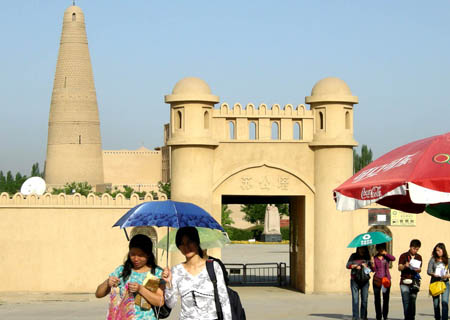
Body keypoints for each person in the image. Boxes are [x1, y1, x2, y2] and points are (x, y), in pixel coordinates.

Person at [162, 226, 232, 320]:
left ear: (197, 242)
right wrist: (168, 283)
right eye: (182, 244)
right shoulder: (176, 270)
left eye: (189, 242)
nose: (186, 247)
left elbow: (224, 300)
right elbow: (170, 304)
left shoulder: (213, 266)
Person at [95, 234, 165, 320]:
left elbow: (160, 301)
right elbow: (98, 294)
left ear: (148, 254)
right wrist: (107, 283)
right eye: (132, 254)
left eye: (140, 255)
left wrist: (140, 289)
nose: (136, 259)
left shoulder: (157, 272)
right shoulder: (122, 271)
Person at [398, 239, 422, 320]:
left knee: (413, 301)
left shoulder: (419, 257)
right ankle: (407, 317)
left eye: (417, 249)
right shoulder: (403, 256)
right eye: (414, 248)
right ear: (410, 247)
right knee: (406, 301)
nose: (415, 250)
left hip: (414, 281)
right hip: (404, 281)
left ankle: (412, 317)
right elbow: (399, 267)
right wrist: (405, 265)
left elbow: (420, 269)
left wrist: (417, 269)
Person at [371, 243, 395, 320]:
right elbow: (373, 270)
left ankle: (385, 315)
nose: (381, 250)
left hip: (386, 279)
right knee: (377, 298)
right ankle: (378, 316)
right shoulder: (374, 258)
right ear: (377, 249)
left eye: (382, 248)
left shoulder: (386, 257)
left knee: (386, 298)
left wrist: (386, 253)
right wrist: (372, 263)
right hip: (377, 279)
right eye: (379, 248)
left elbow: (393, 258)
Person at [346, 246, 372, 320]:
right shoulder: (353, 256)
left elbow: (371, 269)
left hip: (365, 281)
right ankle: (355, 317)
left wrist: (367, 265)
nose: (362, 250)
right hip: (355, 280)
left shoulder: (367, 257)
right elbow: (347, 265)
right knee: (355, 299)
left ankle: (363, 316)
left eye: (363, 248)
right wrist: (354, 266)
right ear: (358, 249)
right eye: (360, 248)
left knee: (364, 300)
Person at [427, 243, 450, 320]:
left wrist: (447, 276)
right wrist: (434, 274)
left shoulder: (448, 260)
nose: (438, 252)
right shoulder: (433, 259)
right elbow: (428, 271)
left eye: (439, 250)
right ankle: (437, 318)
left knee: (445, 303)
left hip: (445, 283)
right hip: (435, 283)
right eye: (436, 250)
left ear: (443, 250)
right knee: (436, 304)